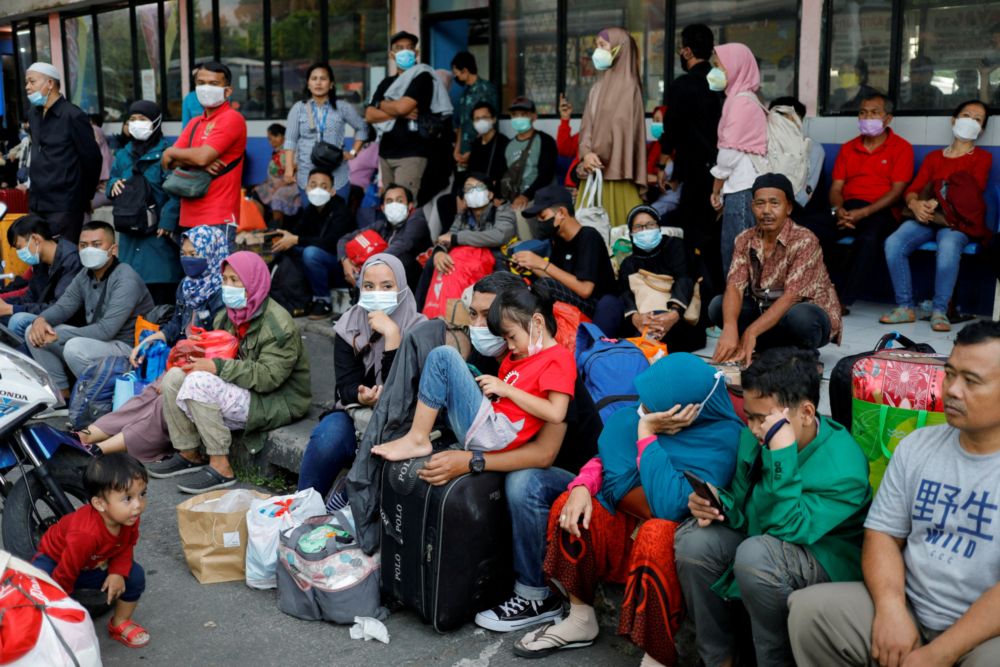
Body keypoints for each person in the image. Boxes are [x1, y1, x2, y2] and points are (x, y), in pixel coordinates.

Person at [788, 320, 1000, 667]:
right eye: (950, 375)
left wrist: (938, 654)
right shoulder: (917, 445)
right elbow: (884, 534)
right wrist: (891, 610)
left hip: (984, 635)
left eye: (972, 381)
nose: (953, 390)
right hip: (911, 609)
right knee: (811, 612)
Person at [512, 354, 742, 662]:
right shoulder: (638, 419)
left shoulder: (724, 440)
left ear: (690, 410)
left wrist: (647, 434)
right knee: (570, 505)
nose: (643, 408)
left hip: (671, 542)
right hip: (625, 525)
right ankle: (580, 617)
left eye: (653, 403)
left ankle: (657, 653)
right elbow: (606, 459)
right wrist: (582, 484)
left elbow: (669, 504)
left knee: (656, 534)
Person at [676, 348, 872, 667]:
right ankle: (719, 660)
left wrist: (781, 457)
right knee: (694, 542)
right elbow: (745, 510)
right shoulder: (756, 438)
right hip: (765, 540)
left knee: (757, 556)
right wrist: (716, 502)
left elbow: (789, 529)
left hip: (825, 559)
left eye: (762, 418)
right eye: (749, 416)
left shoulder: (844, 468)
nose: (753, 429)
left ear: (807, 413)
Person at [147, 251, 310, 494]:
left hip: (275, 399)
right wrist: (186, 362)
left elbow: (268, 378)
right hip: (240, 388)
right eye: (225, 280)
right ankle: (189, 452)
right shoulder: (227, 316)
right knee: (174, 378)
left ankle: (221, 465)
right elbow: (211, 352)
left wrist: (217, 367)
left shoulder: (278, 324)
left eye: (236, 281)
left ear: (254, 282)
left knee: (199, 382)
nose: (228, 286)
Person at [76, 226, 230, 461]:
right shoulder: (188, 286)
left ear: (213, 254)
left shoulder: (222, 293)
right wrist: (154, 337)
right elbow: (176, 324)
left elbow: (217, 344)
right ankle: (88, 435)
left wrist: (180, 362)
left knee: (160, 401)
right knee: (146, 396)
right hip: (181, 359)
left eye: (196, 254)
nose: (189, 260)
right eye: (185, 253)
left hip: (206, 366)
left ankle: (103, 448)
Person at [372, 286, 576, 461]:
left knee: (444, 356)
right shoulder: (520, 357)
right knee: (444, 368)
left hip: (497, 432)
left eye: (512, 336)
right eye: (505, 339)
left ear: (538, 323)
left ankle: (418, 438)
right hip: (489, 424)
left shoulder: (560, 357)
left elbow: (556, 413)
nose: (510, 346)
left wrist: (506, 389)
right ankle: (416, 435)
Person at [297, 254, 425, 501]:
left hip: (402, 425)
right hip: (358, 414)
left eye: (387, 286)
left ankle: (346, 505)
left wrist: (392, 336)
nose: (377, 293)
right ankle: (302, 509)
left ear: (402, 286)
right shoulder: (350, 323)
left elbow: (400, 395)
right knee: (328, 436)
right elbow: (343, 387)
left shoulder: (420, 329)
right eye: (369, 286)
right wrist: (360, 395)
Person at [881, 100, 993, 332]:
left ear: (981, 130)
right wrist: (915, 204)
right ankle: (905, 306)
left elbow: (973, 191)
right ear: (953, 120)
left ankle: (940, 310)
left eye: (977, 119)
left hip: (955, 220)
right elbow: (914, 188)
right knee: (894, 242)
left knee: (949, 247)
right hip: (925, 216)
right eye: (965, 115)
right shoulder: (934, 158)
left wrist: (936, 200)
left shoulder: (982, 158)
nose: (969, 121)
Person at [711, 174, 842, 366]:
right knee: (718, 305)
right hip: (766, 313)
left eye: (774, 203)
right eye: (760, 204)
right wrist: (730, 328)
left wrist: (750, 332)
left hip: (804, 317)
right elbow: (734, 286)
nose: (766, 211)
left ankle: (800, 353)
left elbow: (791, 297)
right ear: (752, 207)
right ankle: (772, 349)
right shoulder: (744, 239)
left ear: (788, 207)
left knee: (802, 318)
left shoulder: (805, 240)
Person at [807, 92, 914, 310]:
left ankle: (841, 300)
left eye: (874, 113)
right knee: (807, 229)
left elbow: (896, 192)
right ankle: (809, 290)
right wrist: (839, 210)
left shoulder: (901, 148)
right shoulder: (848, 148)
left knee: (868, 240)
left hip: (881, 212)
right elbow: (836, 187)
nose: (867, 118)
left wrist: (863, 214)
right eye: (863, 113)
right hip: (847, 209)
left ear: (888, 118)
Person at [33, 453, 150, 648]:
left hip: (92, 561)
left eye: (142, 494)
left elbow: (126, 545)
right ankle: (48, 632)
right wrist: (64, 606)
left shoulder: (129, 517)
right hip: (57, 560)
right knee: (39, 592)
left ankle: (119, 623)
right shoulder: (85, 534)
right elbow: (66, 571)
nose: (138, 505)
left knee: (135, 576)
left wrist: (117, 573)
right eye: (127, 498)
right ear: (99, 504)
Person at [24, 221, 154, 396]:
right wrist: (41, 320)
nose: (89, 250)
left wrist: (56, 336)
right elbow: (64, 305)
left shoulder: (125, 278)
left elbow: (106, 330)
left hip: (129, 349)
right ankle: (62, 396)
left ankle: (99, 398)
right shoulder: (85, 274)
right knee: (31, 331)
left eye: (96, 245)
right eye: (83, 245)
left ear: (113, 249)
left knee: (74, 347)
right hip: (99, 342)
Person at [658, 24, 723, 291]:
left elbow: (672, 129)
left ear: (686, 51)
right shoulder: (722, 83)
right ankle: (717, 289)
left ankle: (697, 291)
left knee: (693, 236)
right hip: (724, 171)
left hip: (695, 174)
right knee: (716, 236)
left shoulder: (683, 85)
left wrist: (664, 165)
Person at [514, 184, 621, 335]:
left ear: (562, 213)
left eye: (543, 216)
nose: (539, 222)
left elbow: (585, 290)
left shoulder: (589, 236)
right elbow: (557, 280)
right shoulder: (558, 240)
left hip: (597, 306)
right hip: (573, 300)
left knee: (544, 286)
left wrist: (542, 263)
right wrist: (531, 267)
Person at [107, 100, 183, 306]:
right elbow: (111, 181)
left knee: (160, 297)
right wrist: (113, 184)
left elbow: (176, 191)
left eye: (143, 119)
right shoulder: (123, 154)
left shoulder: (168, 153)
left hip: (158, 235)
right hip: (130, 236)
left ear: (156, 122)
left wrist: (168, 221)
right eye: (132, 119)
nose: (136, 123)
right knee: (133, 294)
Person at [365, 30, 453, 200]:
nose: (404, 51)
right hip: (386, 153)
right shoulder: (386, 82)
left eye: (409, 47)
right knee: (389, 205)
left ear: (416, 52)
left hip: (412, 154)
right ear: (392, 54)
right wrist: (395, 111)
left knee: (404, 204)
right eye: (399, 48)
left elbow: (403, 107)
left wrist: (382, 104)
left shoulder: (422, 76)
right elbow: (369, 115)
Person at [162, 61, 248, 232]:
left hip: (218, 216)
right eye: (201, 83)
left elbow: (202, 157)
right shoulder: (194, 123)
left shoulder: (232, 118)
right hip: (187, 216)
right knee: (190, 260)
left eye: (213, 84)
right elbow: (166, 163)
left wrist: (172, 151)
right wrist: (183, 158)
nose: (206, 88)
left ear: (228, 91)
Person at [574, 27, 646, 228]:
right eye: (597, 46)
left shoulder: (630, 88)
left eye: (602, 45)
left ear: (618, 49)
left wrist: (596, 157)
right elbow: (587, 127)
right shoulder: (597, 88)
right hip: (594, 173)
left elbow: (622, 134)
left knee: (621, 235)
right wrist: (586, 154)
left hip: (619, 172)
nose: (598, 51)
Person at [24, 62, 102, 243]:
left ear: (50, 83)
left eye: (32, 81)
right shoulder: (33, 114)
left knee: (62, 259)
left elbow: (92, 159)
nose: (27, 87)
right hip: (37, 200)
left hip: (64, 203)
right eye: (26, 82)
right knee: (37, 256)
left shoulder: (73, 116)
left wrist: (86, 196)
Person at [708, 43, 768, 275]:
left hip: (743, 191)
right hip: (741, 189)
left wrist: (716, 189)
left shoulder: (741, 102)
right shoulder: (743, 99)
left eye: (719, 67)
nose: (714, 73)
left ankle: (742, 309)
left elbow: (728, 155)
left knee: (739, 261)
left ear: (736, 68)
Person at [420, 172, 517, 307]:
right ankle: (422, 311)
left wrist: (458, 238)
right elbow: (447, 237)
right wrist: (439, 252)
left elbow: (499, 236)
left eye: (479, 187)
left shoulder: (502, 210)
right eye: (469, 189)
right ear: (464, 197)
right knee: (433, 261)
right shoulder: (463, 216)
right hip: (471, 263)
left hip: (501, 259)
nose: (474, 192)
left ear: (490, 194)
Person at [617, 204, 704, 352]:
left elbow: (685, 279)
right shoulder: (629, 263)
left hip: (679, 319)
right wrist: (635, 317)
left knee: (652, 337)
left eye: (650, 225)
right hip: (645, 321)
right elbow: (625, 293)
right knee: (645, 335)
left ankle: (641, 353)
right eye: (638, 227)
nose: (645, 230)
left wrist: (674, 314)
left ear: (659, 226)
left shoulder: (675, 246)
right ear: (631, 233)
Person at [271, 168, 355, 319]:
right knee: (283, 247)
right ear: (307, 188)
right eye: (313, 185)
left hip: (340, 267)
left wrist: (295, 239)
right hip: (318, 265)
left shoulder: (341, 211)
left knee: (311, 253)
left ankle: (323, 301)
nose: (318, 190)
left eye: (324, 186)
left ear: (332, 191)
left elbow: (331, 243)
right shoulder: (310, 209)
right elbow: (297, 233)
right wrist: (286, 238)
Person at [283, 62, 368, 202]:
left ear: (331, 84)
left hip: (337, 174)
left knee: (337, 218)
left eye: (323, 79)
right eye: (314, 78)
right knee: (312, 220)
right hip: (307, 176)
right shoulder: (298, 108)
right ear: (308, 84)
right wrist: (289, 169)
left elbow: (362, 128)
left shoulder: (343, 107)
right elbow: (290, 140)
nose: (318, 83)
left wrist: (353, 152)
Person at [2, 214, 82, 339]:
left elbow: (59, 307)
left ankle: (24, 358)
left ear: (36, 239)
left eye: (19, 247)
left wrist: (11, 309)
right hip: (44, 315)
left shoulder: (71, 261)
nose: (19, 253)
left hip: (68, 322)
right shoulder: (41, 261)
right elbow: (30, 297)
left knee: (19, 320)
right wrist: (6, 304)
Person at [339, 184, 431, 290]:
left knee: (401, 258)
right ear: (383, 208)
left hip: (413, 281)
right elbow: (345, 239)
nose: (394, 205)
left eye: (399, 201)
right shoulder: (380, 226)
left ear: (410, 206)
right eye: (389, 201)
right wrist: (345, 261)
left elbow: (405, 243)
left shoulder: (416, 219)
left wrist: (370, 265)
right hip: (383, 280)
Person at [500, 97, 558, 215]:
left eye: (524, 114)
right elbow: (503, 175)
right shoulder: (507, 146)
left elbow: (546, 175)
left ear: (534, 117)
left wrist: (526, 196)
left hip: (539, 198)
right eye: (515, 115)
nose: (518, 118)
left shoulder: (545, 141)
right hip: (512, 199)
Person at [769, 96, 826, 212]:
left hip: (799, 209)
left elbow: (806, 191)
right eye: (784, 120)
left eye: (795, 119)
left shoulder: (813, 149)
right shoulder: (764, 145)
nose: (790, 125)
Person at [451, 51, 499, 171]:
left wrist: (473, 152)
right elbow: (461, 125)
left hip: (482, 151)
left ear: (465, 71)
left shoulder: (486, 89)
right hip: (463, 153)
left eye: (456, 73)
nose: (456, 77)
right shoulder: (465, 92)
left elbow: (489, 124)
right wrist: (457, 150)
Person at [253, 123, 301, 223]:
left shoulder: (291, 151)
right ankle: (260, 224)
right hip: (276, 184)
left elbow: (292, 172)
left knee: (277, 197)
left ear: (280, 136)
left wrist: (278, 186)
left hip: (290, 185)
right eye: (269, 139)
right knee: (255, 192)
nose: (271, 142)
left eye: (272, 138)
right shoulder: (278, 152)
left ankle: (277, 225)